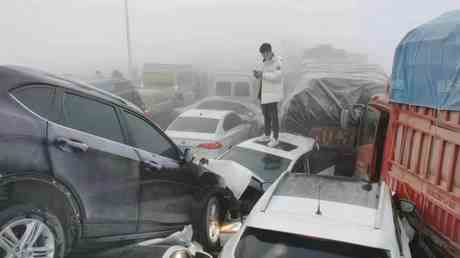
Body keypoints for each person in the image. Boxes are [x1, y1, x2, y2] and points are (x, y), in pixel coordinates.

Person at [253, 43, 284, 147]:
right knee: (265, 115)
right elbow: (264, 75)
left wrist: (263, 75)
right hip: (263, 92)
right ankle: (267, 135)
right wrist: (258, 75)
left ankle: (275, 138)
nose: (263, 56)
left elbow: (277, 77)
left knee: (273, 117)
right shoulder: (265, 62)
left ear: (270, 51)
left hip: (272, 94)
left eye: (265, 54)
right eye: (262, 54)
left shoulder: (278, 62)